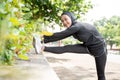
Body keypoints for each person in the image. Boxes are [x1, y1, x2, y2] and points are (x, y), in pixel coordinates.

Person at [34, 11, 107, 80]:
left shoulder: (77, 26)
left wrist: (42, 39)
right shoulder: (73, 28)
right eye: (62, 21)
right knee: (67, 48)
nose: (64, 22)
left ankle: (41, 44)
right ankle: (41, 48)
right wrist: (42, 40)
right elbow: (61, 35)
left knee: (101, 75)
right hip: (87, 47)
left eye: (66, 19)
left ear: (71, 17)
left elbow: (61, 35)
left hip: (100, 50)